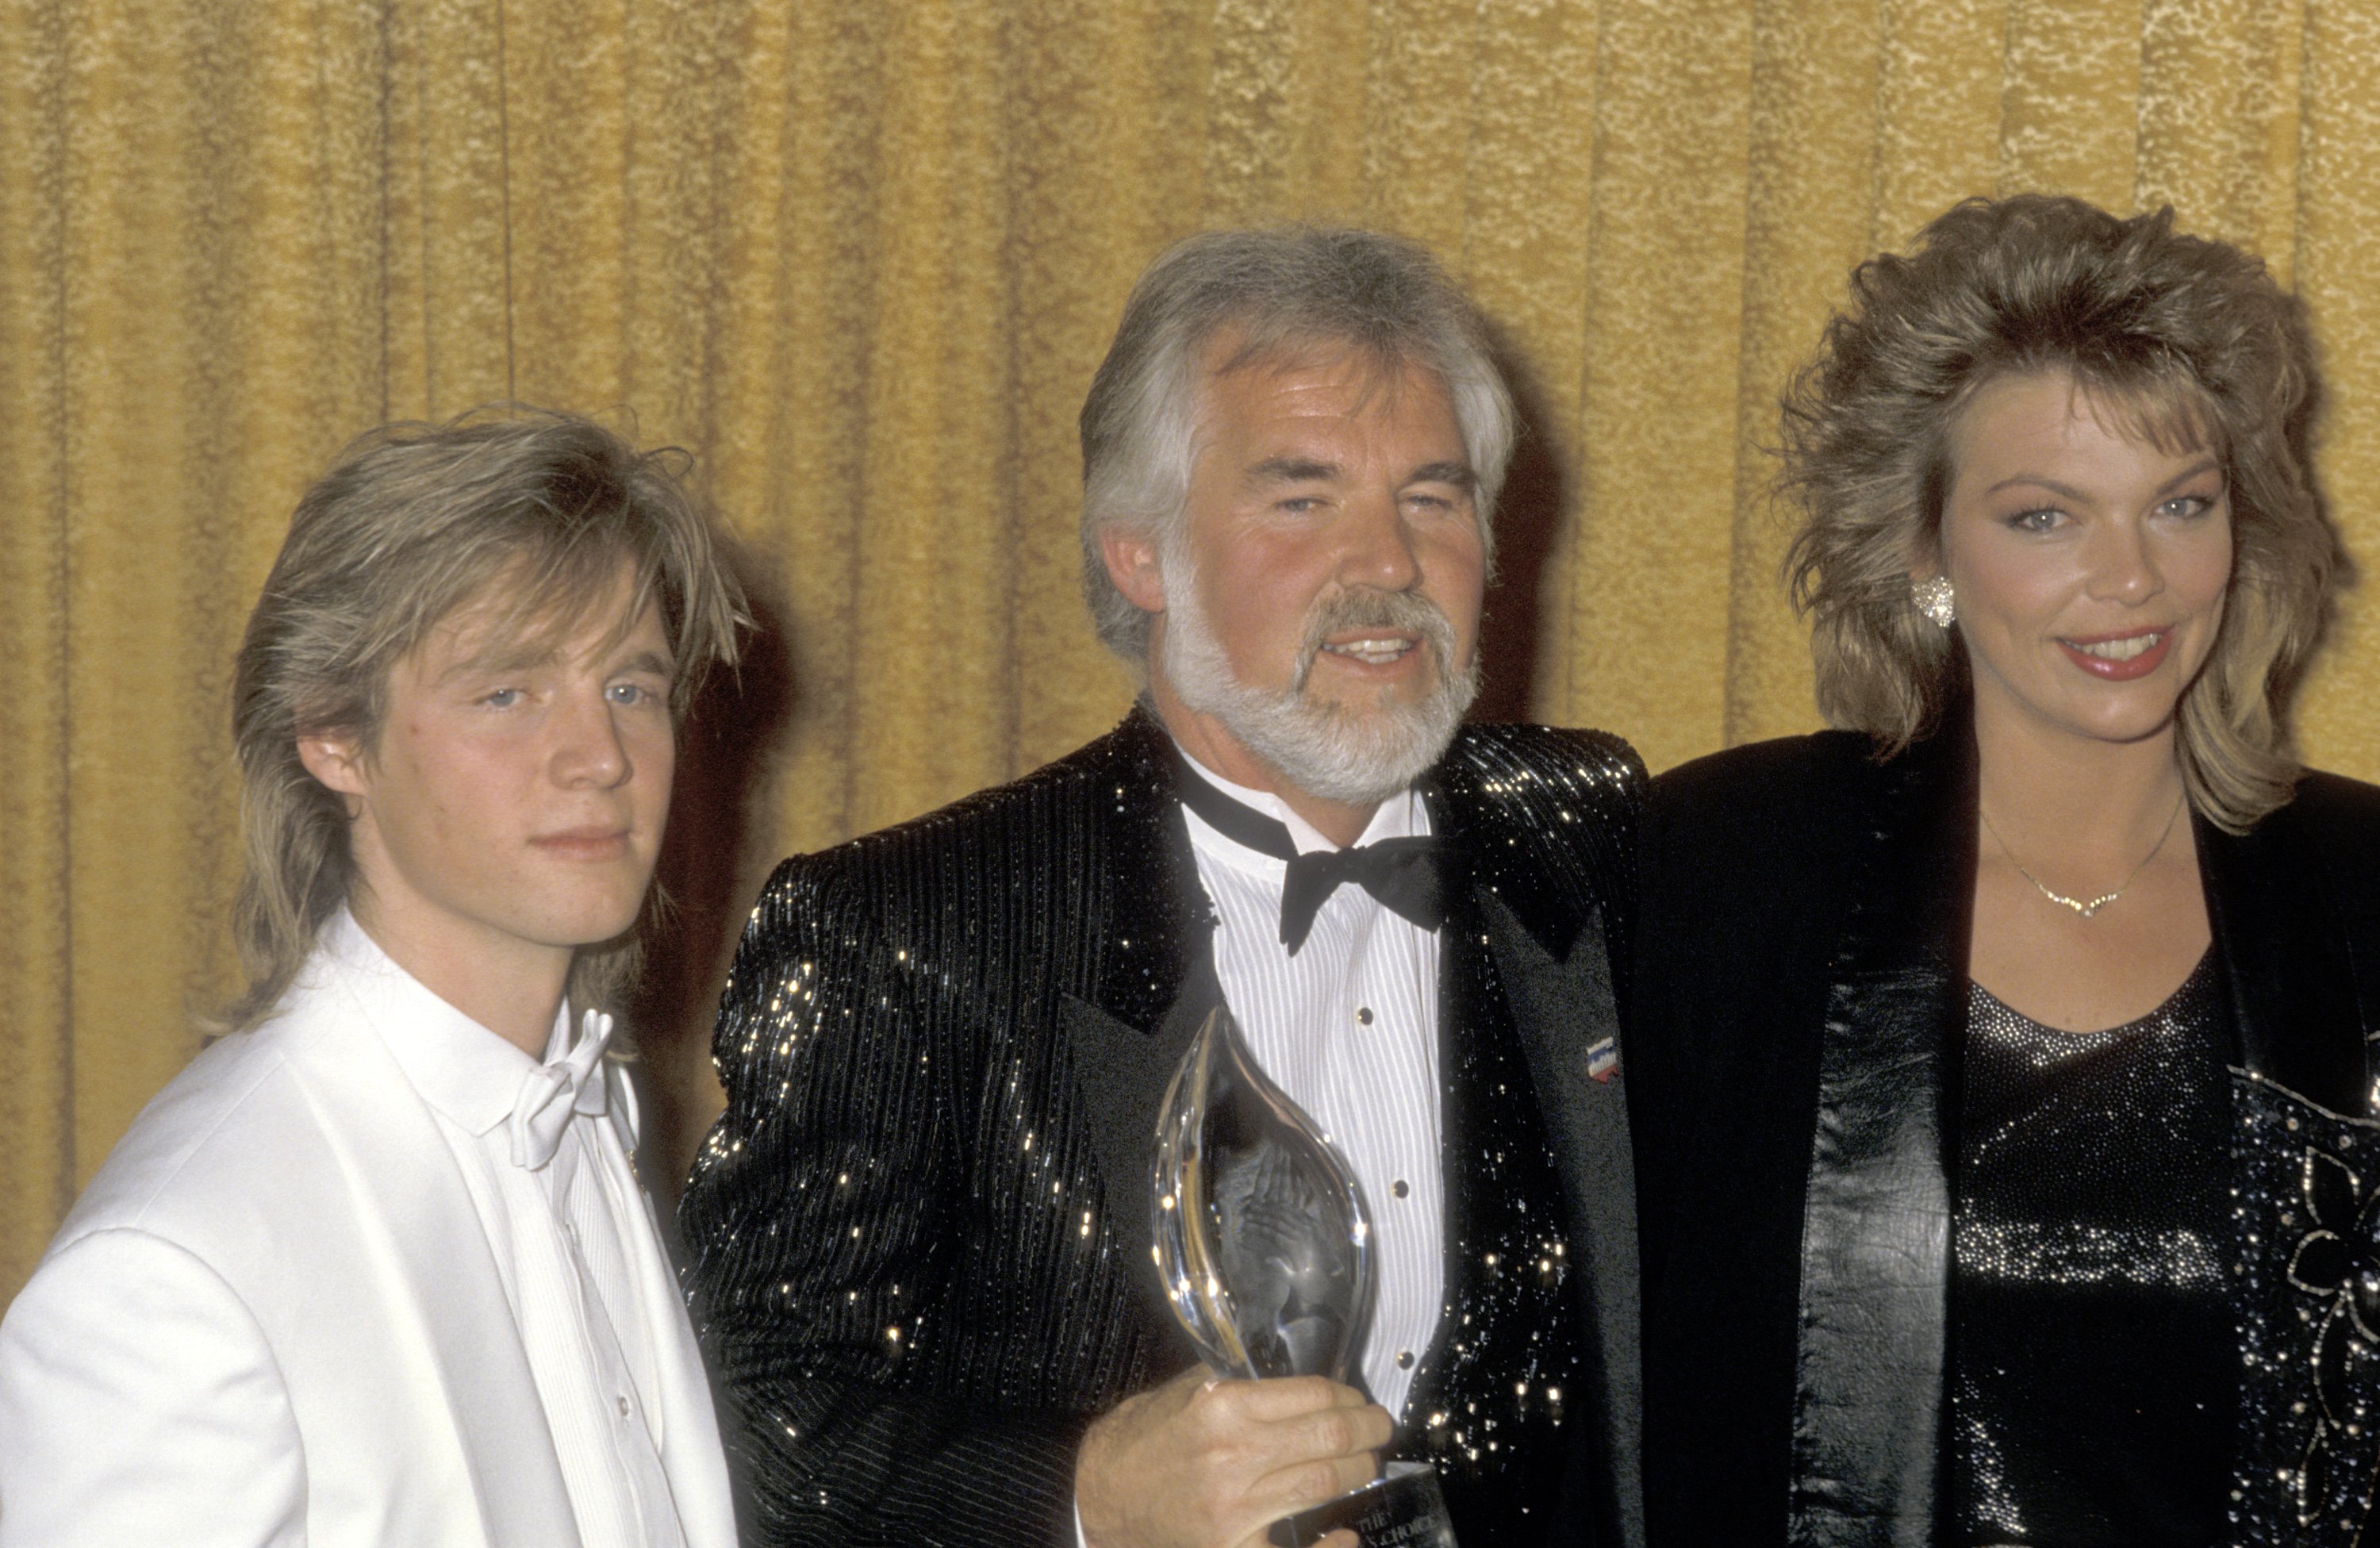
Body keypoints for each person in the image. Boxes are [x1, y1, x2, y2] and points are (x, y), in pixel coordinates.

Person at [680, 226, 1645, 1548]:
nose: (1391, 566)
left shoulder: (1598, 842)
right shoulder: (911, 932)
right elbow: (748, 1425)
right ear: (1139, 552)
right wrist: (1081, 1497)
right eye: (1301, 498)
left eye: (1433, 495)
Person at [1628, 193, 2380, 1546]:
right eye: (2045, 518)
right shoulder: (1724, 876)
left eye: (2182, 504)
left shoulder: (2367, 887)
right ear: (1924, 551)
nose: (2132, 579)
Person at [0, 410, 748, 1546]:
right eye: (508, 693)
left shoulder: (579, 1106)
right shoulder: (169, 1278)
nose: (602, 756)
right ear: (333, 739)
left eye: (632, 688)